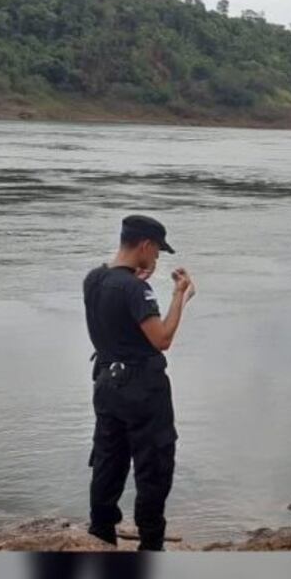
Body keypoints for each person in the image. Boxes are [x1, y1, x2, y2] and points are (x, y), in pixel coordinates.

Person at [82, 214, 196, 551]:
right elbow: (161, 339)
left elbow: (114, 315)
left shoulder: (94, 279)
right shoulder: (136, 289)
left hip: (105, 383)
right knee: (154, 466)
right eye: (158, 251)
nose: (158, 258)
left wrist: (135, 278)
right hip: (142, 389)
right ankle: (151, 545)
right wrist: (180, 297)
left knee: (108, 459)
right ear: (145, 245)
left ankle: (101, 535)